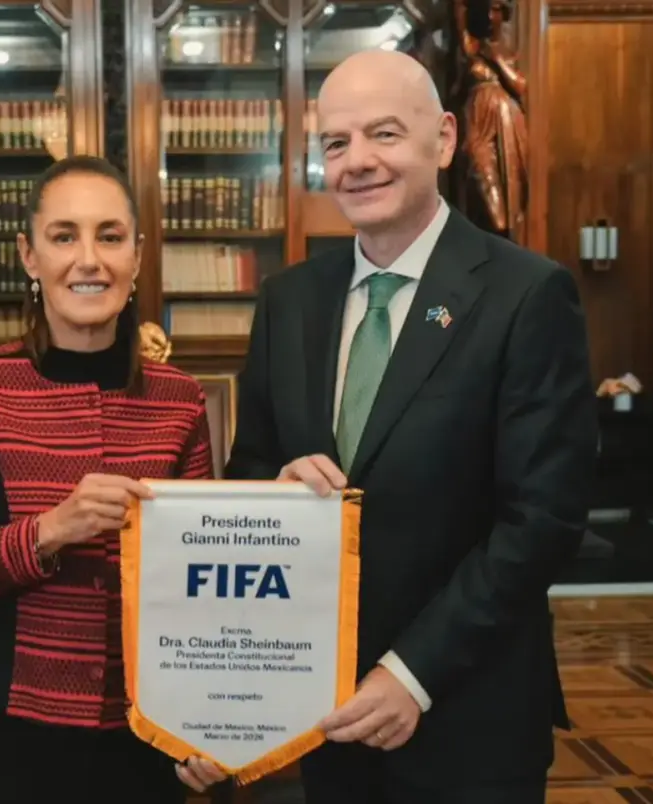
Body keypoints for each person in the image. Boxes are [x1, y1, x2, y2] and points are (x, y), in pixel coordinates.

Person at [225, 49, 597, 803]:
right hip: (327, 714)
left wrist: (412, 673)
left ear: (446, 139)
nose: (358, 161)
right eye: (336, 142)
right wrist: (277, 488)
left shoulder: (527, 295)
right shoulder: (289, 301)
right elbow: (249, 472)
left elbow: (543, 519)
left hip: (467, 712)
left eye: (385, 134)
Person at [0, 156, 226, 802]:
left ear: (137, 256)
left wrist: (211, 720)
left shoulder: (181, 399)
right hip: (8, 735)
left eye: (110, 236)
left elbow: (205, 588)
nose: (90, 260)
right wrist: (49, 531)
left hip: (148, 735)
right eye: (64, 237)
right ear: (29, 256)